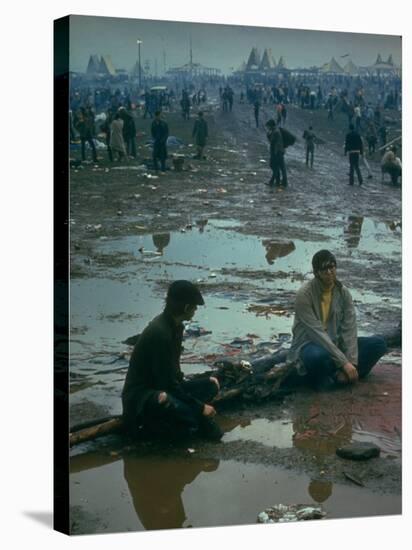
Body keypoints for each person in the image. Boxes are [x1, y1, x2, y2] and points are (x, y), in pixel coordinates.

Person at [122, 280, 223, 441]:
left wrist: (192, 395)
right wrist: (200, 407)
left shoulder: (176, 327)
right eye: (195, 306)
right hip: (143, 396)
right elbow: (166, 384)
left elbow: (174, 374)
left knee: (211, 384)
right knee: (187, 417)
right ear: (186, 307)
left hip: (166, 387)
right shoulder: (160, 333)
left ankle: (184, 417)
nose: (196, 310)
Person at [286, 250, 387, 389]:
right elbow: (317, 334)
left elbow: (349, 329)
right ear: (316, 272)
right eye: (324, 269)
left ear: (335, 268)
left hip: (336, 344)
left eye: (331, 267)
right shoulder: (304, 295)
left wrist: (352, 361)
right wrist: (343, 362)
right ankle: (326, 379)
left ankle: (342, 376)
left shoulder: (343, 292)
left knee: (378, 344)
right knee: (317, 357)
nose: (329, 272)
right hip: (310, 345)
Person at [265, 119, 287, 188]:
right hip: (279, 151)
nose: (267, 128)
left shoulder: (275, 132)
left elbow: (272, 141)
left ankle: (276, 182)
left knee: (275, 166)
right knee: (279, 167)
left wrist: (268, 135)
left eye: (268, 126)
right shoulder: (276, 131)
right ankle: (278, 182)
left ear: (271, 125)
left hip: (277, 152)